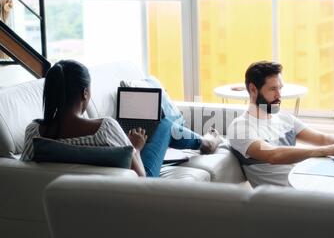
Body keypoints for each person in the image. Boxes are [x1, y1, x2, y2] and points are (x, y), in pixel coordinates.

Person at [21, 60, 221, 177]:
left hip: (72, 198)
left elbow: (26, 170)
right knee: (166, 124)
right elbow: (141, 178)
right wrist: (135, 147)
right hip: (133, 186)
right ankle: (205, 142)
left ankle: (202, 141)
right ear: (84, 94)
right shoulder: (105, 128)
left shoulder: (33, 133)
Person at [228, 61, 334, 187]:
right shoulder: (240, 127)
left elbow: (322, 138)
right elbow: (273, 155)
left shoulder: (284, 118)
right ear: (253, 89)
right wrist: (328, 150)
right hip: (286, 199)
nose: (279, 96)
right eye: (273, 89)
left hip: (306, 182)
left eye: (280, 88)